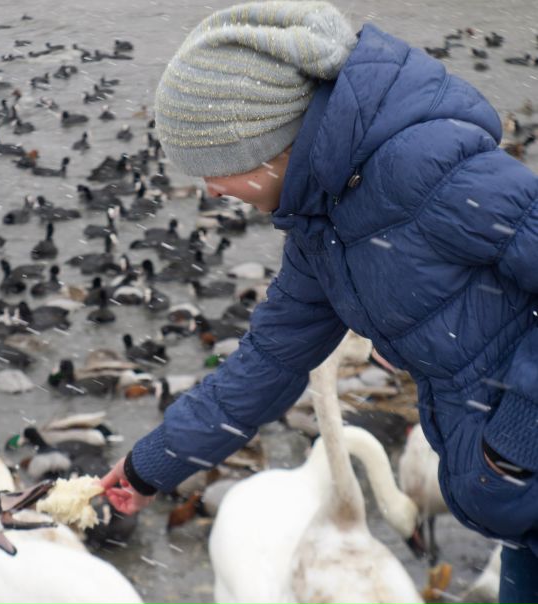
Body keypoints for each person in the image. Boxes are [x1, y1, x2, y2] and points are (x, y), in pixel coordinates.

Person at [98, 2, 538, 602]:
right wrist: (151, 466)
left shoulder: (428, 170)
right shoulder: (323, 221)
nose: (210, 190)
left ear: (267, 141)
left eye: (216, 168)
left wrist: (514, 443)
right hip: (517, 509)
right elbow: (271, 359)